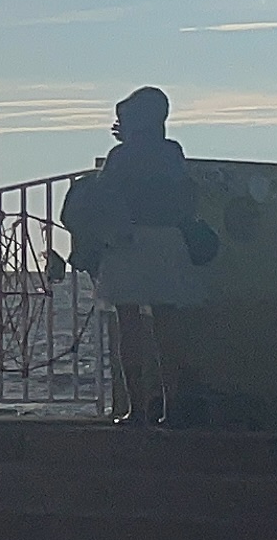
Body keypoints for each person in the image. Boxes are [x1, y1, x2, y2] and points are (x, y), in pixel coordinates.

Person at [62, 86, 211, 426]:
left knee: (129, 327)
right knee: (166, 328)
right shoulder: (172, 152)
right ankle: (172, 406)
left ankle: (138, 408)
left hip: (128, 242)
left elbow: (106, 195)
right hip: (167, 240)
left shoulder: (120, 156)